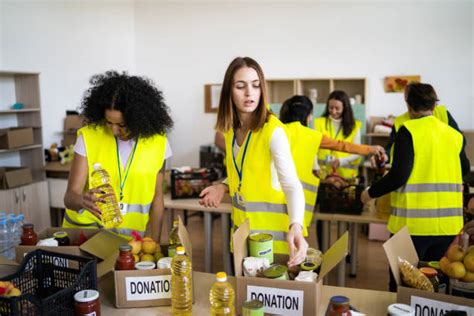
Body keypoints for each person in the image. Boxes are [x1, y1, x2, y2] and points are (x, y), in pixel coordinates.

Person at [199, 57, 307, 267]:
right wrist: (222, 187)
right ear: (229, 91)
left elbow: (292, 185)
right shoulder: (230, 131)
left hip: (275, 243)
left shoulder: (272, 131)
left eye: (256, 85)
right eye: (241, 86)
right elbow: (244, 175)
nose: (249, 93)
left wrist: (297, 225)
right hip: (243, 237)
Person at [360, 82, 470, 290]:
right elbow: (464, 168)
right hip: (448, 227)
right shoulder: (454, 136)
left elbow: (399, 175)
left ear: (409, 107)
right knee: (436, 285)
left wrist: (369, 193)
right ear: (434, 106)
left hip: (412, 228)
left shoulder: (408, 130)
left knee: (403, 286)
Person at [63, 71, 173, 241]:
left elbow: (157, 200)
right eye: (109, 122)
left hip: (130, 241)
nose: (114, 131)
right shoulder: (88, 138)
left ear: (139, 119)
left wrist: (155, 243)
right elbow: (70, 197)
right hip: (87, 236)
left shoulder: (159, 144)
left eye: (121, 124)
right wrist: (82, 200)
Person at [279, 95, 385, 227]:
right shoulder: (312, 136)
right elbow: (342, 145)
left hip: (276, 191)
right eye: (311, 114)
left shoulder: (277, 131)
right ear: (306, 115)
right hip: (298, 195)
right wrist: (370, 149)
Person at [314, 90, 362, 179]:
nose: (333, 111)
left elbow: (357, 152)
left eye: (337, 108)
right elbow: (313, 149)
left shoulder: (354, 126)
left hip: (347, 177)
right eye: (331, 107)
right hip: (324, 176)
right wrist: (315, 167)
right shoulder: (318, 123)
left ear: (345, 108)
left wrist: (341, 161)